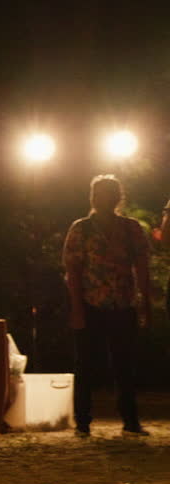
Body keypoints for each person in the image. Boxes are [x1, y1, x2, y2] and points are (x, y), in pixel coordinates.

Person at [63, 175, 152, 438]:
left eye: (110, 193)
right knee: (86, 364)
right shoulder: (81, 229)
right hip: (92, 303)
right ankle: (83, 421)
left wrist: (145, 302)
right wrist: (77, 308)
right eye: (100, 193)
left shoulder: (131, 228)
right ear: (93, 197)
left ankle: (130, 419)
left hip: (123, 303)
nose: (105, 198)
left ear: (117, 197)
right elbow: (73, 271)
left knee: (125, 364)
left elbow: (143, 267)